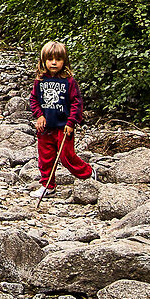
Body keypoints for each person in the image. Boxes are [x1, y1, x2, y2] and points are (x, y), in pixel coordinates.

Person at [27, 41, 91, 196]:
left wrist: (71, 122)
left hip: (63, 126)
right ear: (43, 61)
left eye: (58, 59)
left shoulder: (69, 81)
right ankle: (47, 185)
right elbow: (34, 99)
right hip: (45, 127)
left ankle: (88, 173)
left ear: (64, 61)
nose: (54, 63)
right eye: (50, 59)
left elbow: (76, 103)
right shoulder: (40, 80)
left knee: (66, 156)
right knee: (45, 157)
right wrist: (39, 115)